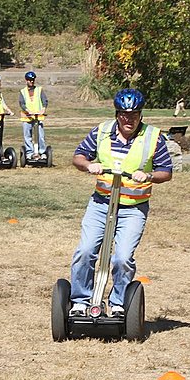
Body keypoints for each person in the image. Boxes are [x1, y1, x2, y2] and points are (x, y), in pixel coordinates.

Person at [69, 88, 173, 317]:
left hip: (133, 208)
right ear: (117, 114)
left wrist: (148, 176)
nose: (129, 119)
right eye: (125, 115)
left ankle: (118, 303)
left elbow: (166, 172)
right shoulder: (102, 131)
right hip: (100, 204)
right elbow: (78, 156)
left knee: (122, 257)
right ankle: (80, 301)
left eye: (134, 114)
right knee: (85, 251)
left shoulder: (153, 137)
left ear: (141, 115)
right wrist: (88, 165)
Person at [18, 71, 48, 159]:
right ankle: (29, 153)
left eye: (32, 80)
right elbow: (22, 103)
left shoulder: (39, 90)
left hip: (38, 117)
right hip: (27, 117)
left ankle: (42, 152)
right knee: (27, 136)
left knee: (40, 136)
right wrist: (28, 110)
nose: (31, 82)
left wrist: (43, 109)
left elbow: (44, 101)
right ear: (26, 80)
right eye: (29, 80)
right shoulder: (22, 92)